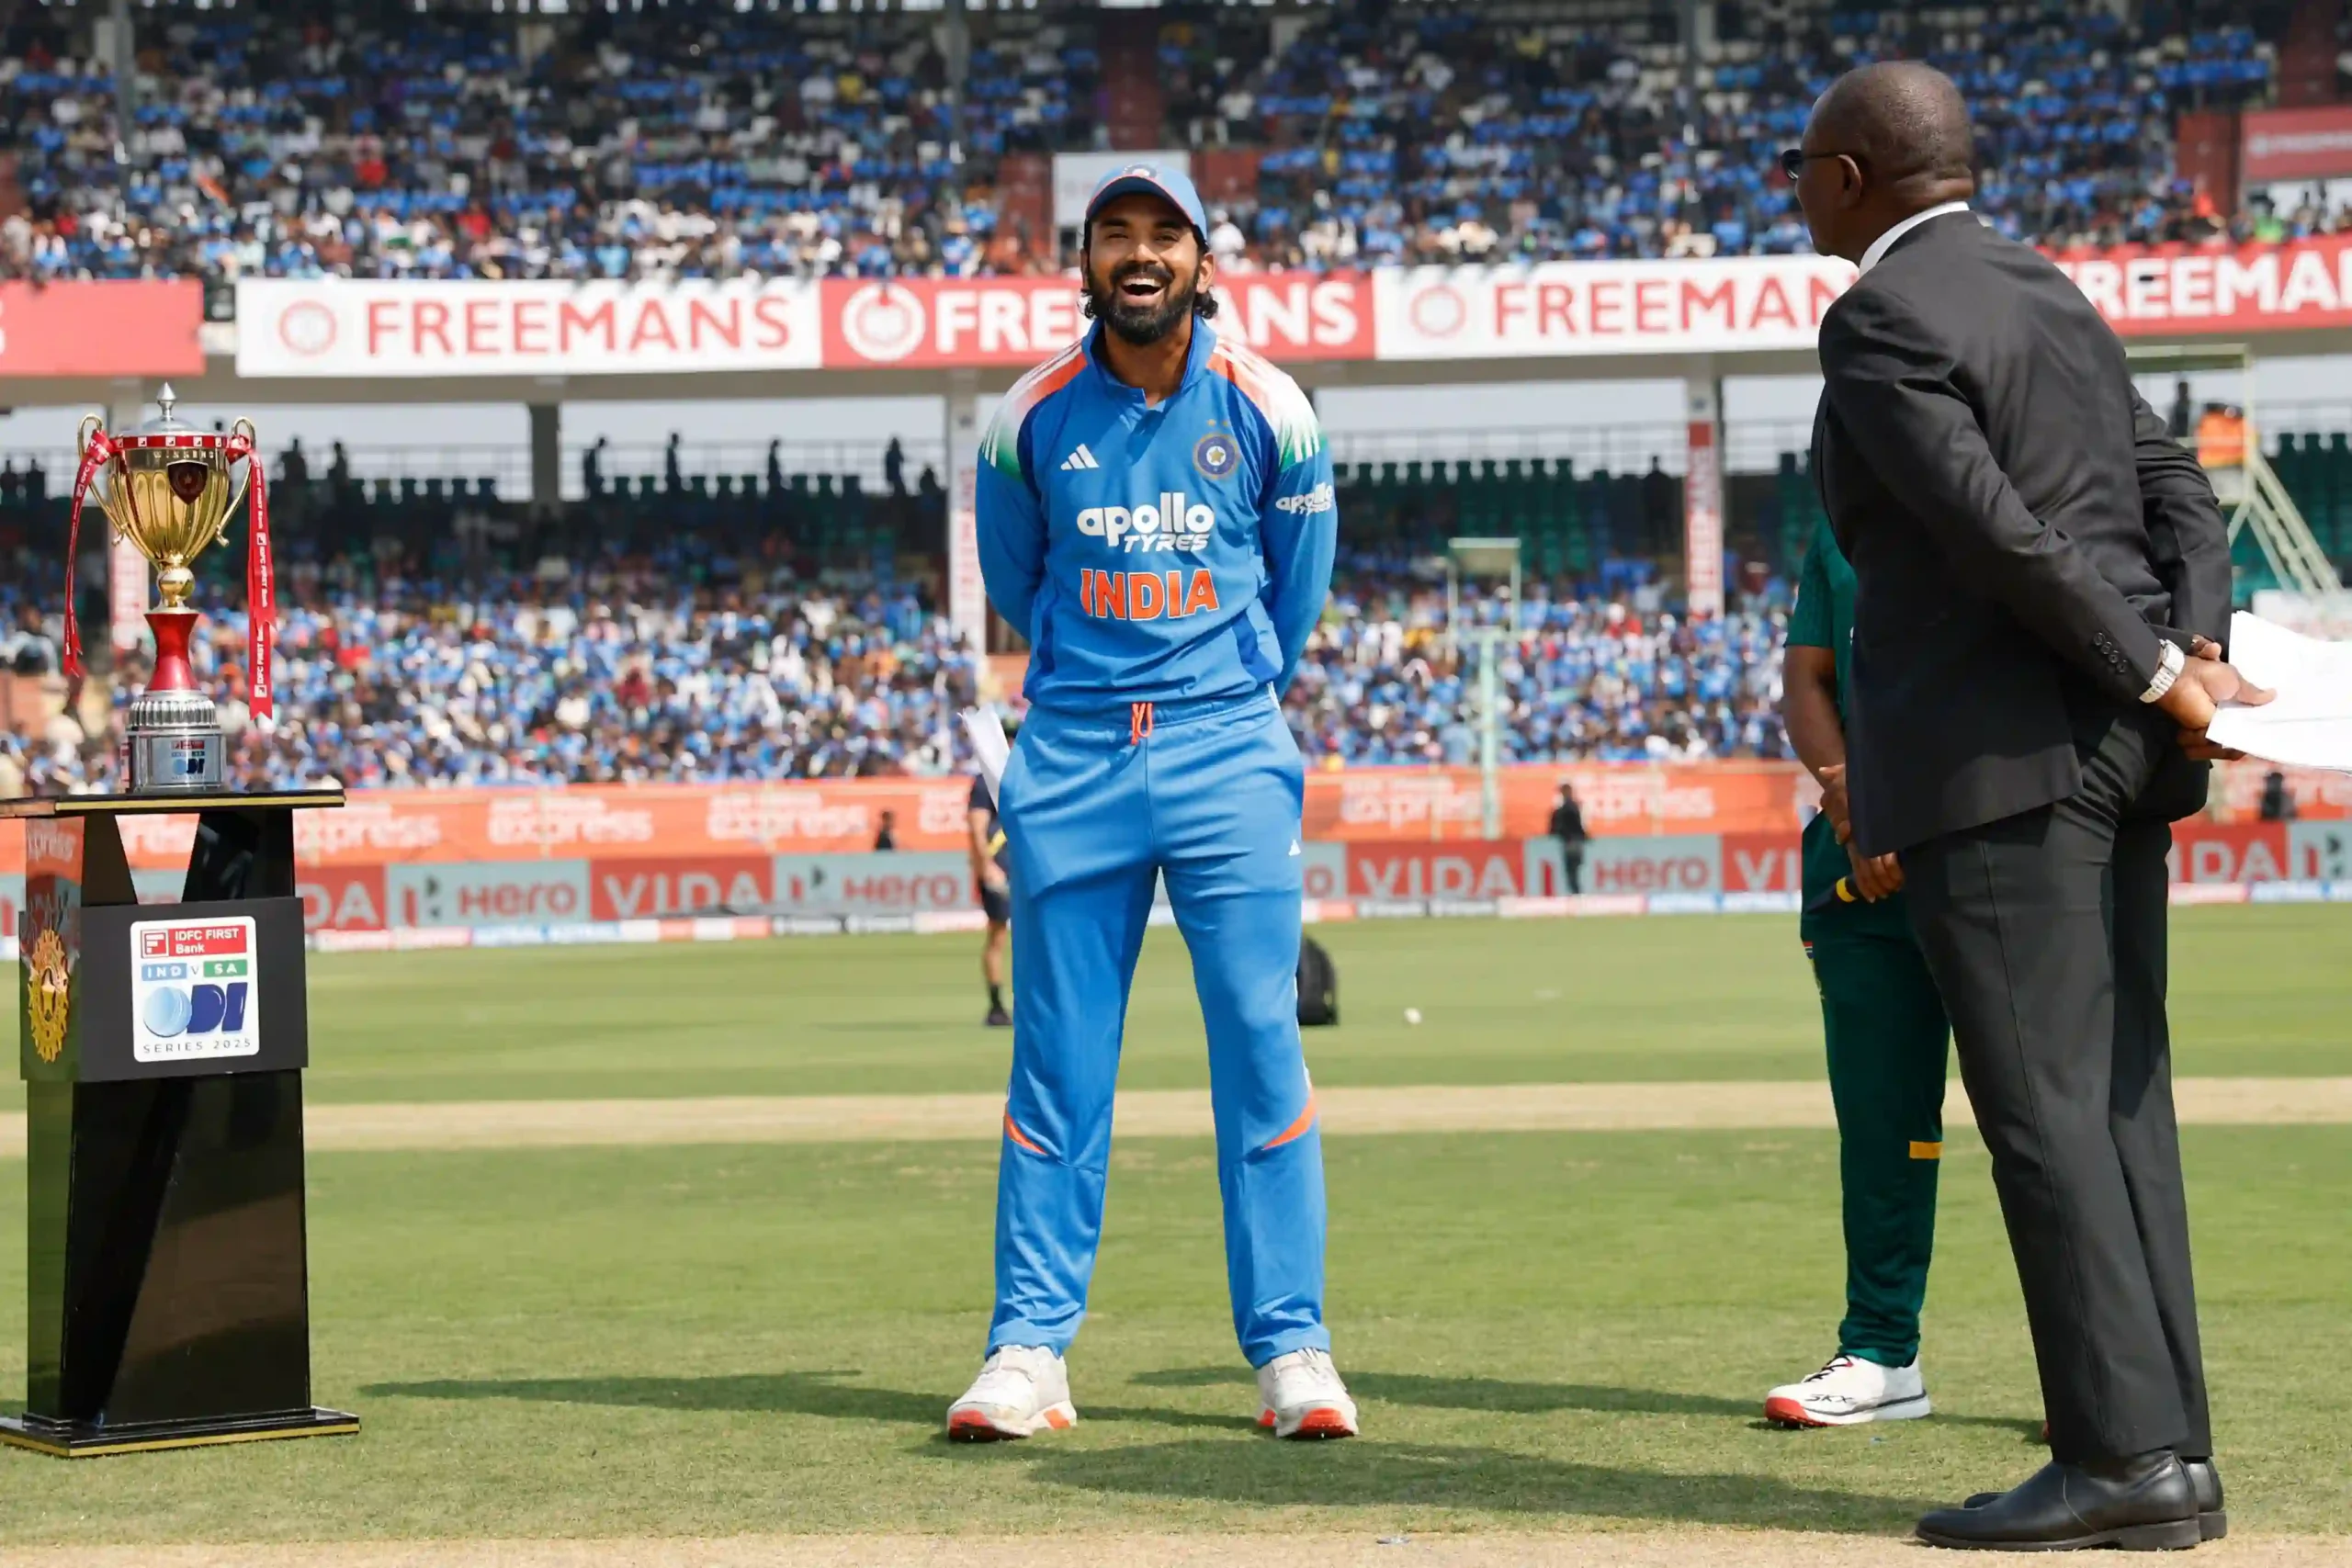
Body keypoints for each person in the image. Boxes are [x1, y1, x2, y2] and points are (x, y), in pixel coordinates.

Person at [1794, 62, 2265, 1551]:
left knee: (2044, 1113)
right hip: (2121, 753)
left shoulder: (1878, 316)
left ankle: (2119, 1460)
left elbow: (1986, 529)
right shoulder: (2054, 292)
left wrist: (2160, 668)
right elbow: (2179, 490)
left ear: (1853, 176)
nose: (1795, 192)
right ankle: (2172, 1452)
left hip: (1997, 764)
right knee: (2121, 1101)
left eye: (1804, 167)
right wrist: (2189, 647)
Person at [951, 163, 1349, 1444]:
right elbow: (1017, 579)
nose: (1139, 254)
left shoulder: (1272, 407)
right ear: (1084, 263)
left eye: (1163, 234)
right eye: (1114, 233)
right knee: (1057, 1062)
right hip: (1072, 755)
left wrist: (1209, 691)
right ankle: (1029, 1348)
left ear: (1201, 262)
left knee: (1261, 1042)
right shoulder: (1027, 416)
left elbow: (1294, 594)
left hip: (1226, 746)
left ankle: (1292, 1348)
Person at [1765, 513, 1951, 1430]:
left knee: (2047, 1125)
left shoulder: (2020, 495)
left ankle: (2091, 1373)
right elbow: (1805, 679)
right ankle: (1882, 1353)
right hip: (1859, 870)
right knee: (1881, 1127)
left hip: (1997, 852)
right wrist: (1849, 798)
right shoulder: (1837, 524)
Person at [968, 763, 1013, 1027]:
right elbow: (977, 827)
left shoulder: (1031, 773)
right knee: (998, 936)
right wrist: (986, 866)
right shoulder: (985, 781)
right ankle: (996, 1006)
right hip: (999, 866)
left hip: (1027, 865)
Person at [1549, 784, 1588, 894]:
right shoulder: (1573, 807)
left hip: (1571, 842)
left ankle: (1576, 893)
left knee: (1572, 870)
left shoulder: (1565, 809)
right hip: (1574, 841)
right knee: (1573, 870)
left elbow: (1556, 828)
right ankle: (1576, 893)